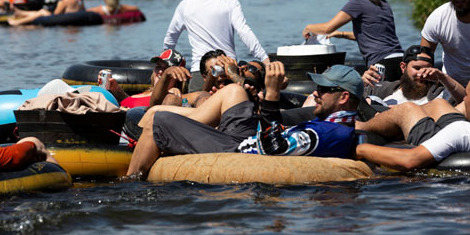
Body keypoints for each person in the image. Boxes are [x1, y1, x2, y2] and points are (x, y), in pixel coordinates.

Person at [125, 63, 362, 178]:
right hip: (244, 139)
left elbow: (274, 147)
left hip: (237, 150)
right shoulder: (336, 127)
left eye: (324, 89)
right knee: (233, 92)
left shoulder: (329, 132)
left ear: (343, 97)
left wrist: (271, 95)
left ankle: (129, 183)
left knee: (159, 121)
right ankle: (185, 125)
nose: (317, 93)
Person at [163, 0, 270, 92]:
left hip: (200, 73)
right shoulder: (230, 2)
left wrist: (169, 67)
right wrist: (264, 59)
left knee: (196, 109)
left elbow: (169, 41)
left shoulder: (184, 5)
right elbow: (244, 32)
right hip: (229, 70)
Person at [355, 73, 470, 171]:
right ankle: (384, 114)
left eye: (466, 95)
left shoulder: (463, 132)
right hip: (463, 130)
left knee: (407, 109)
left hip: (448, 143)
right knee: (439, 103)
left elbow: (409, 160)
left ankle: (363, 125)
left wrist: (360, 149)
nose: (464, 99)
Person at [302, 0, 404, 82]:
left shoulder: (357, 2)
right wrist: (341, 34)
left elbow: (327, 28)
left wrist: (308, 27)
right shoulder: (381, 0)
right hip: (399, 60)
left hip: (381, 65)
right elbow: (372, 36)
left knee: (373, 99)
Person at [363, 45, 465, 107]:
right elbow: (351, 100)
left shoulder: (439, 94)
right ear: (403, 67)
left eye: (426, 69)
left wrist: (443, 78)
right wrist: (360, 83)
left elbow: (465, 102)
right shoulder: (384, 89)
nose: (421, 74)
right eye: (416, 68)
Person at [104, 49, 187, 109]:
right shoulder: (148, 93)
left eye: (167, 69)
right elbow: (130, 102)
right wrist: (117, 90)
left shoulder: (171, 95)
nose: (161, 72)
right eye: (158, 66)